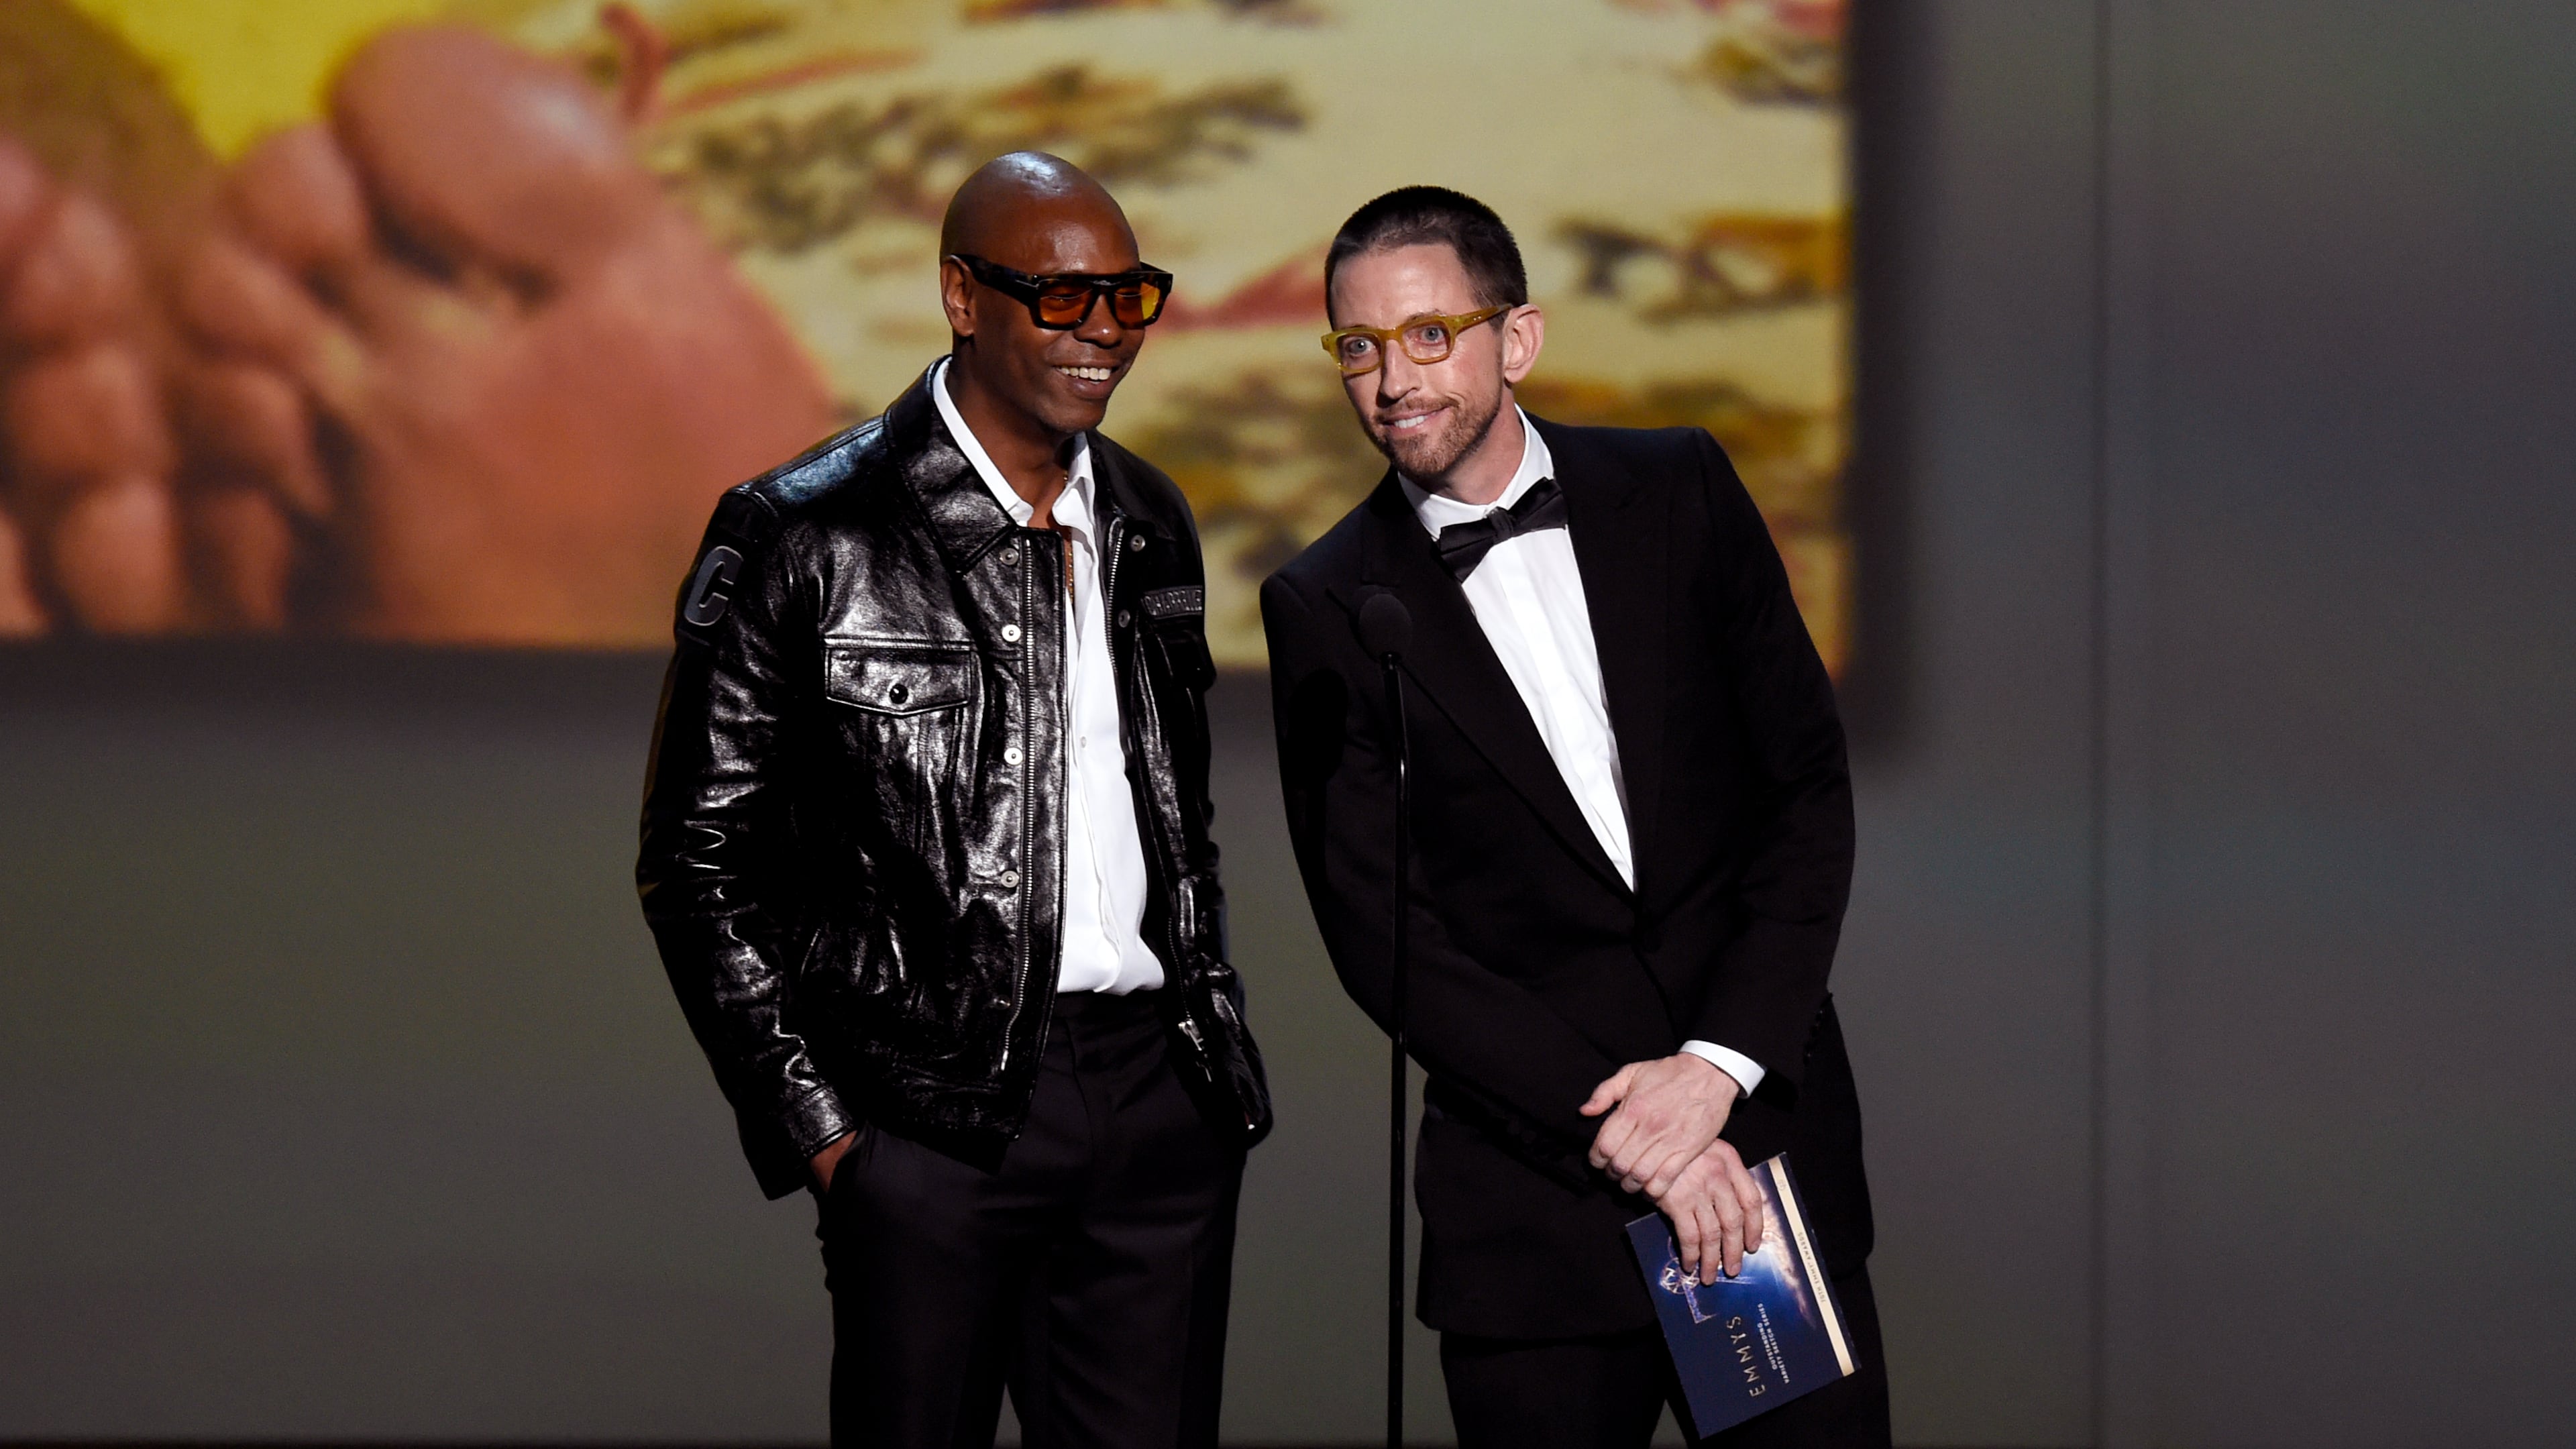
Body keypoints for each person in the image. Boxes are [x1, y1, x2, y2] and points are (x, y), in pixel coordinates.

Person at [638, 151, 1270, 1449]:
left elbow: (1171, 815)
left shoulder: (1150, 516)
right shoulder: (806, 532)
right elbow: (696, 865)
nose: (1103, 330)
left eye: (1128, 296)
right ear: (960, 297)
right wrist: (829, 1138)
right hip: (928, 1116)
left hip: (1154, 1105)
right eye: (1059, 296)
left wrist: (1205, 1047)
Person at [1261, 186, 1888, 1448]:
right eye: (1359, 347)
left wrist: (1713, 1076)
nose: (1393, 380)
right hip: (1535, 1212)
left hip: (1753, 1174)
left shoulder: (1681, 488)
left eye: (1430, 335)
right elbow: (1385, 937)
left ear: (1519, 340)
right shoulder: (1327, 601)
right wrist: (1645, 1139)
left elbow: (1804, 797)